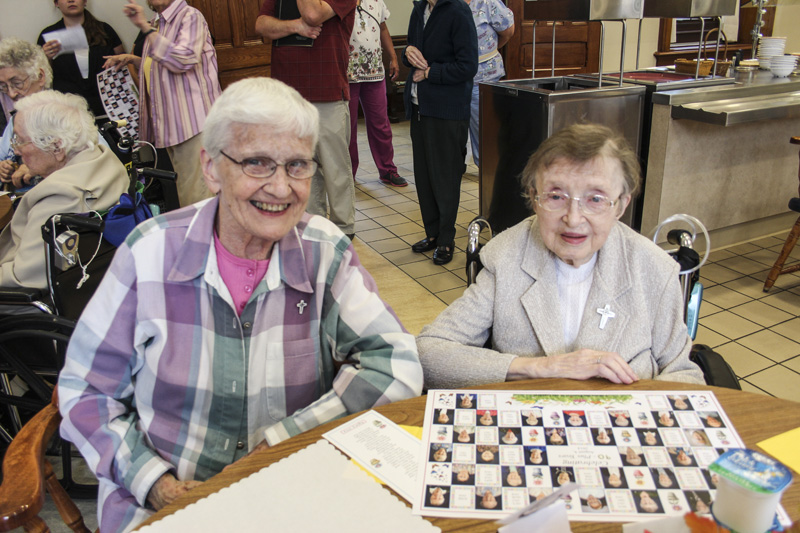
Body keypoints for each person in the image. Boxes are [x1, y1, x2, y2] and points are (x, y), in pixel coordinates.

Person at [57, 77, 423, 533]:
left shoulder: (323, 251)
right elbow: (86, 389)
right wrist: (154, 483)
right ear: (211, 168)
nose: (281, 188)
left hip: (291, 496)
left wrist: (282, 444)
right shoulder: (149, 252)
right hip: (161, 508)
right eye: (257, 163)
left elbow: (394, 363)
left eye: (297, 165)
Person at [417, 124, 705, 386]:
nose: (573, 219)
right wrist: (543, 368)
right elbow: (428, 353)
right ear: (534, 198)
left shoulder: (653, 268)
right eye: (556, 196)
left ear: (620, 205)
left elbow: (685, 376)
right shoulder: (506, 257)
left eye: (595, 199)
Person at [0, 90, 127, 289]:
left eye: (21, 141)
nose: (16, 150)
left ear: (57, 147)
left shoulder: (61, 195)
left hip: (31, 298)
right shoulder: (106, 161)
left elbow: (24, 279)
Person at [256, 0, 358, 239]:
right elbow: (261, 25)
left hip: (328, 91)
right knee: (300, 166)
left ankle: (344, 228)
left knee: (335, 166)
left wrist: (303, 23)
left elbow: (313, 14)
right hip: (288, 95)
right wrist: (295, 27)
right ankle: (312, 224)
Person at [118, 0, 221, 207]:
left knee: (198, 198)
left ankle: (203, 230)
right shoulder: (159, 23)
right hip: (173, 126)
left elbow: (182, 59)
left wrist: (144, 27)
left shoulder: (190, 16)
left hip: (194, 125)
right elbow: (161, 66)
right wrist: (132, 59)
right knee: (187, 194)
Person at [404, 0, 477, 265]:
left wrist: (430, 73)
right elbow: (412, 51)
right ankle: (433, 234)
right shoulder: (419, 9)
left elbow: (468, 66)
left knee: (445, 179)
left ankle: (446, 240)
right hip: (419, 106)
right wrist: (407, 53)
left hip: (447, 110)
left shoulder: (458, 11)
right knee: (424, 177)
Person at [346, 0, 406, 187]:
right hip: (347, 72)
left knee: (381, 123)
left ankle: (388, 170)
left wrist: (393, 57)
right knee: (348, 127)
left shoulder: (377, 2)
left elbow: (383, 29)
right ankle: (348, 174)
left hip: (374, 71)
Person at [38, 0, 125, 117]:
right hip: (68, 111)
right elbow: (40, 77)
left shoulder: (104, 30)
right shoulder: (48, 36)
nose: (71, 0)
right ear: (56, 3)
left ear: (85, 1)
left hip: (109, 107)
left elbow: (124, 61)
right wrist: (45, 57)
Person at [465, 0, 513, 168]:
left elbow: (508, 32)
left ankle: (488, 170)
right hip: (454, 78)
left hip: (485, 76)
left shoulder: (488, 2)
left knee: (484, 127)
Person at [0, 38, 53, 189]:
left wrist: (38, 167)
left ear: (40, 77)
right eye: (4, 87)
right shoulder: (16, 120)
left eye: (17, 83)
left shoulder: (66, 115)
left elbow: (92, 161)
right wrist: (2, 167)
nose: (11, 94)